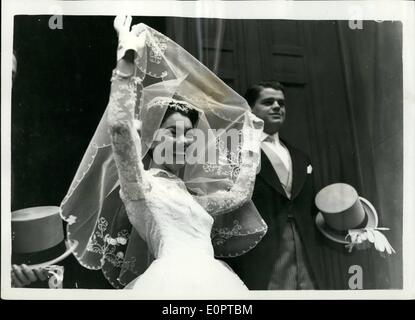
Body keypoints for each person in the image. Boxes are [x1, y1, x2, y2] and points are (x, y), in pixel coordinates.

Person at [60, 16, 266, 293]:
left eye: (188, 134)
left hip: (215, 279)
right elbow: (120, 127)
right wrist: (126, 58)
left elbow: (239, 196)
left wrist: (252, 137)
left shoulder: (191, 196)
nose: (183, 141)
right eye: (172, 131)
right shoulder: (139, 185)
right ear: (151, 138)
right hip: (170, 281)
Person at [223, 81, 327, 290]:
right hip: (262, 256)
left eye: (281, 103)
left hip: (307, 255)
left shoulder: (301, 157)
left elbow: (313, 209)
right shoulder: (236, 152)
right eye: (268, 102)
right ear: (250, 110)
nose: (277, 106)